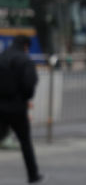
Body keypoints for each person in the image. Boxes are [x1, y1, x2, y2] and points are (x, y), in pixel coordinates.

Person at [0, 35, 43, 183]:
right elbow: (29, 85)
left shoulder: (2, 56)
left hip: (0, 107)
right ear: (26, 46)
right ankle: (33, 175)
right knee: (25, 142)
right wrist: (24, 98)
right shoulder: (25, 60)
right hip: (17, 107)